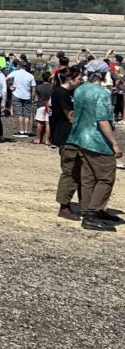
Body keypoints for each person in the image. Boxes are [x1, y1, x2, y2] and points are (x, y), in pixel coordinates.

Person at [68, 60, 122, 231]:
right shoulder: (102, 93)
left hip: (81, 138)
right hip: (98, 141)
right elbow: (103, 120)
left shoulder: (80, 89)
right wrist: (115, 143)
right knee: (106, 178)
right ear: (104, 74)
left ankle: (88, 210)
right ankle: (93, 212)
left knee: (88, 177)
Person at [51, 68, 82, 220]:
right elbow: (71, 117)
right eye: (78, 78)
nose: (81, 81)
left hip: (73, 137)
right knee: (70, 172)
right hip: (67, 138)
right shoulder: (61, 93)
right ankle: (64, 207)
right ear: (70, 79)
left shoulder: (70, 93)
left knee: (79, 172)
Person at [7, 60, 37, 138]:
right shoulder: (30, 75)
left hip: (17, 94)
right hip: (27, 95)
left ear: (18, 66)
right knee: (27, 114)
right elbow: (33, 88)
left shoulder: (15, 73)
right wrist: (33, 97)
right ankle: (26, 131)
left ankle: (21, 131)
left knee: (19, 113)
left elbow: (6, 78)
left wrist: (9, 86)